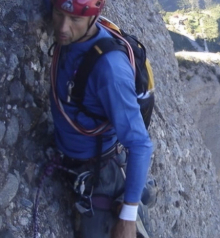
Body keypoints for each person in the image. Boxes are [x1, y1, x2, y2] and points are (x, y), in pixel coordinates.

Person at [48, 0, 153, 237]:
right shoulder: (73, 32)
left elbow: (140, 144)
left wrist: (127, 218)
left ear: (93, 19)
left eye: (75, 19)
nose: (62, 27)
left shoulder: (110, 70)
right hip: (74, 157)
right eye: (58, 14)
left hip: (99, 170)